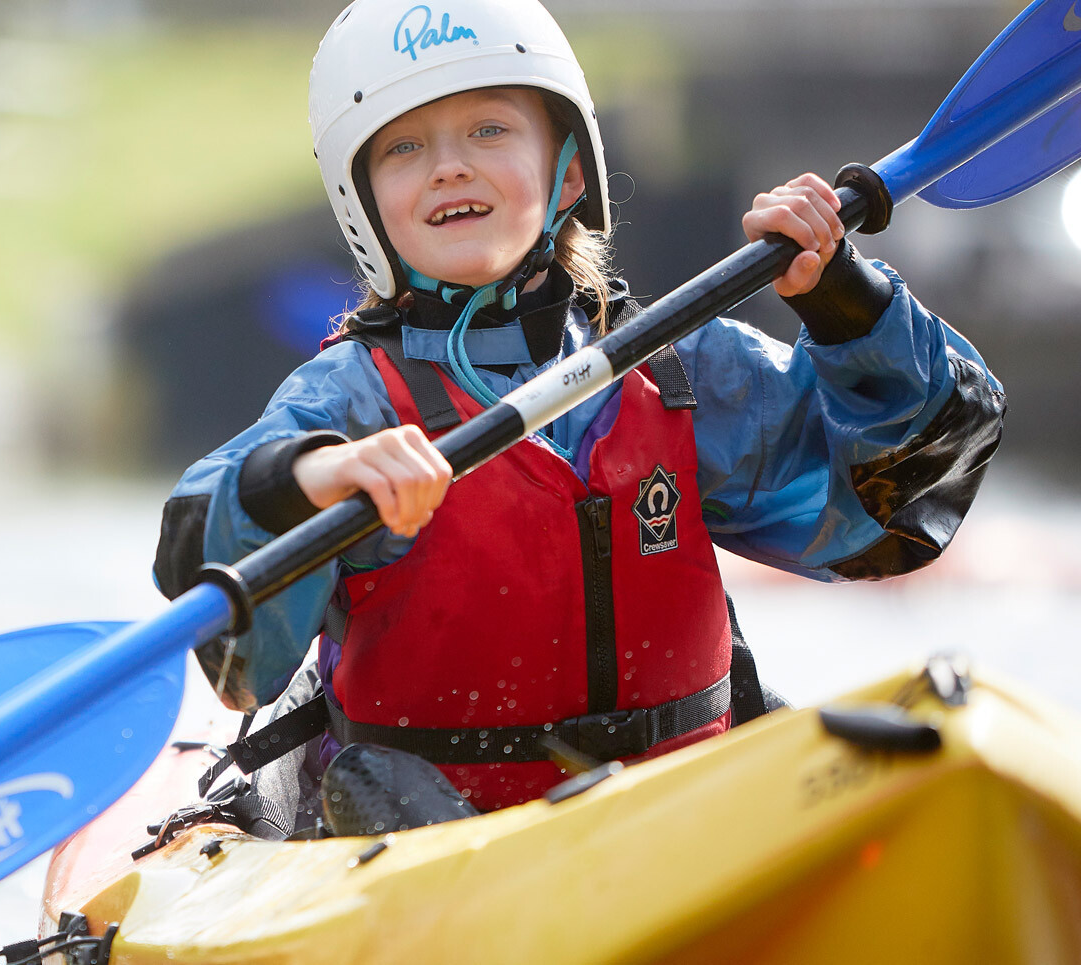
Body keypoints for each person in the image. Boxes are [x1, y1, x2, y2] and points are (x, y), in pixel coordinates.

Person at [151, 0, 1005, 835]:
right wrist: (306, 480)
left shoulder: (678, 362)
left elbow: (892, 512)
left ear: (567, 172)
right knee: (374, 780)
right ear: (363, 201)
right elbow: (234, 650)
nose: (449, 166)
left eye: (489, 130)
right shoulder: (349, 401)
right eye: (405, 148)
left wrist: (847, 305)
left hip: (680, 812)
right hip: (427, 839)